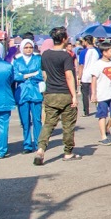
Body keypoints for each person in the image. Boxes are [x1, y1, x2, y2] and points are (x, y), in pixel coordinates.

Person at [34, 26, 79, 165]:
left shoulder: (45, 55)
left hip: (51, 93)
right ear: (64, 39)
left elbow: (44, 74)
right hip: (65, 93)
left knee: (48, 124)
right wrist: (74, 96)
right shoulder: (66, 56)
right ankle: (68, 152)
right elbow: (69, 76)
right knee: (68, 125)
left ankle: (41, 149)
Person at [11, 38, 44, 154]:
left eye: (30, 47)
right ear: (21, 48)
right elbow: (15, 76)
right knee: (25, 121)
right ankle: (27, 144)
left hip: (35, 93)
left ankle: (39, 143)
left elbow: (41, 74)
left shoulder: (38, 59)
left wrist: (24, 75)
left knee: (37, 120)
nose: (28, 49)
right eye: (26, 47)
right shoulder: (17, 61)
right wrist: (30, 74)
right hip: (22, 93)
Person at [88, 42, 111, 144]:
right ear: (104, 52)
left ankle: (107, 127)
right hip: (101, 95)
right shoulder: (97, 64)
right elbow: (94, 80)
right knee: (102, 115)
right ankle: (103, 136)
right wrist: (93, 94)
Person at [78, 36, 100, 117]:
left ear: (86, 42)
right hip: (95, 75)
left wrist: (79, 77)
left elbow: (81, 65)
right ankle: (98, 109)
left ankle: (86, 111)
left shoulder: (83, 52)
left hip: (85, 75)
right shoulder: (97, 51)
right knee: (95, 92)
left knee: (85, 94)